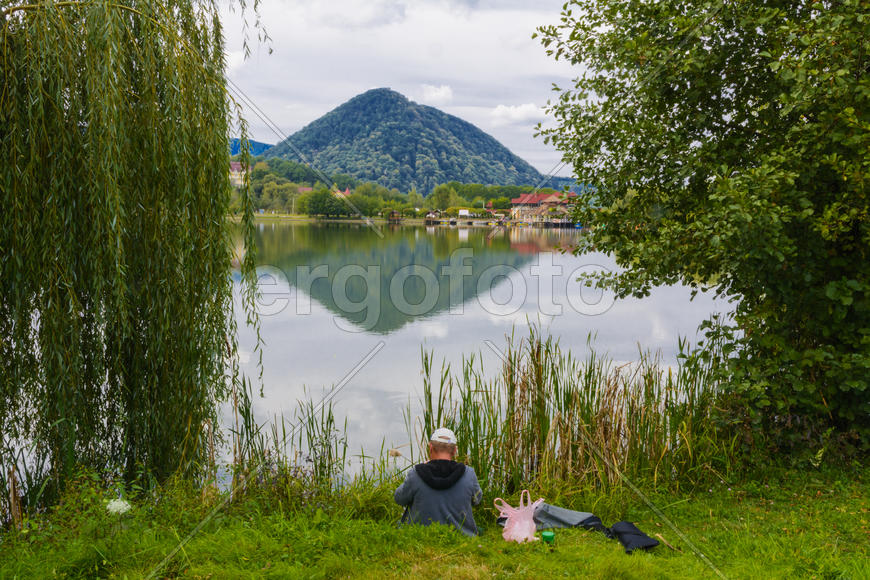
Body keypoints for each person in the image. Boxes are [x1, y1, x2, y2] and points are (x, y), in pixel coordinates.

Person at [394, 427, 482, 536]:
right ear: (455, 450)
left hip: (419, 535)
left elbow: (399, 499)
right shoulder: (469, 474)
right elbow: (477, 500)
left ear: (430, 447)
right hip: (461, 536)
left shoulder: (416, 473)